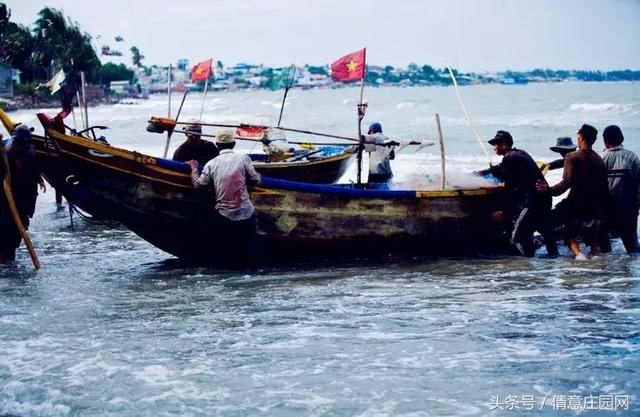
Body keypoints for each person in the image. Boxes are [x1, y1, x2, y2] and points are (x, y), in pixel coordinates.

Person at [187, 130, 261, 265]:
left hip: (224, 214)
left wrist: (193, 168)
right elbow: (256, 180)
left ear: (217, 145)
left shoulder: (211, 164)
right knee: (250, 252)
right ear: (233, 144)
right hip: (246, 212)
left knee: (226, 250)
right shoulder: (244, 159)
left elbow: (198, 184)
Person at [537, 124, 610, 260]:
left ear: (581, 137)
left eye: (578, 135)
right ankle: (596, 260)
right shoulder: (599, 160)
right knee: (592, 240)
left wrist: (548, 190)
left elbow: (566, 183)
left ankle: (556, 256)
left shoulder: (572, 157)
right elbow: (604, 188)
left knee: (547, 224)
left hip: (575, 203)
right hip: (593, 206)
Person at [480, 130, 558, 257]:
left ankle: (525, 267)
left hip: (532, 203)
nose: (494, 147)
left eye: (496, 144)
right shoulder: (521, 153)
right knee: (548, 234)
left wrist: (502, 210)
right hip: (544, 200)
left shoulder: (509, 158)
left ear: (504, 145)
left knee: (516, 237)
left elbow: (509, 189)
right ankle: (554, 262)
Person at [0, 125, 46, 264]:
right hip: (6, 199)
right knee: (5, 229)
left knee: (16, 231)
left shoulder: (30, 154)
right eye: (15, 143)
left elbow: (34, 171)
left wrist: (39, 179)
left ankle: (8, 260)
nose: (16, 146)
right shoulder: (6, 152)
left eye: (19, 144)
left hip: (23, 201)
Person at [602, 125, 640, 254]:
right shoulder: (632, 157)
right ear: (622, 139)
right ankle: (632, 271)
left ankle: (609, 272)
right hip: (628, 209)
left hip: (607, 209)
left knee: (606, 249)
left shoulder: (602, 158)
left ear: (605, 142)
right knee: (632, 247)